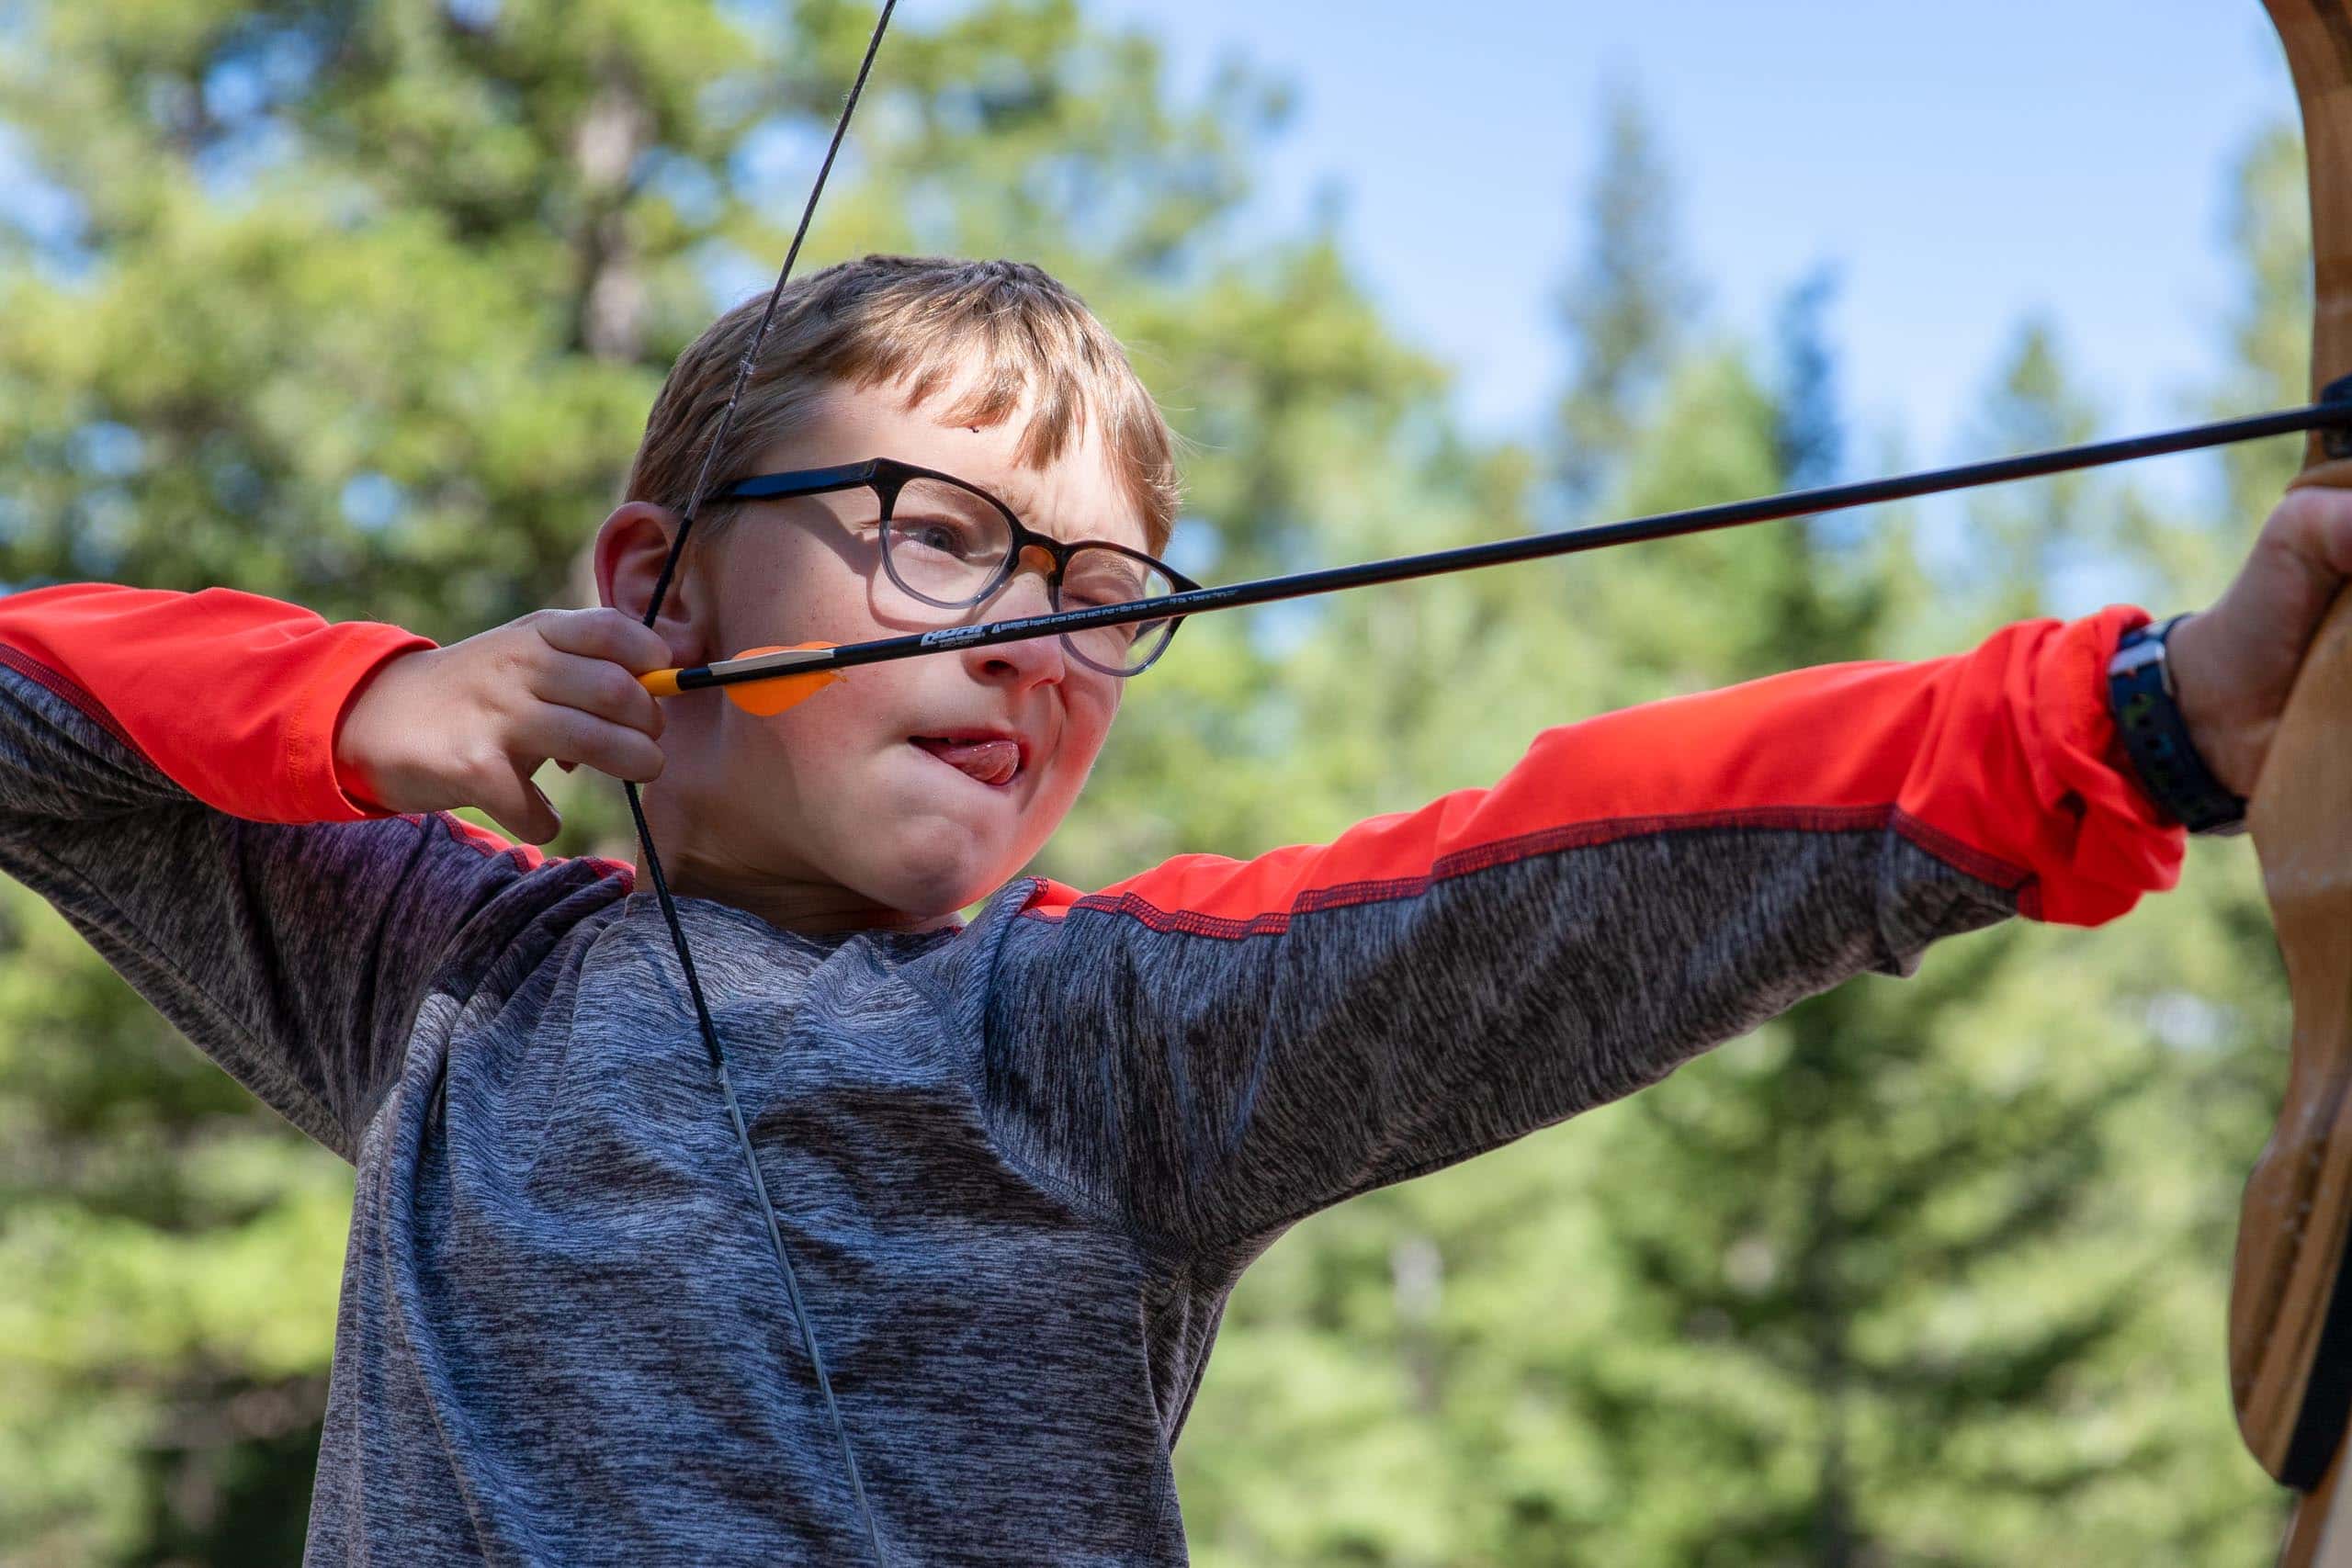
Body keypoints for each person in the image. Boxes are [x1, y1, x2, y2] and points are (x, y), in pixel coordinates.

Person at [1, 254, 2344, 1563]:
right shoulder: (438, 969)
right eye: (936, 532)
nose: (1033, 636)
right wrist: (356, 696)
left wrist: (2140, 714)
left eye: (1105, 594)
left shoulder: (1095, 1038)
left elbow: (1561, 865)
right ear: (657, 583)